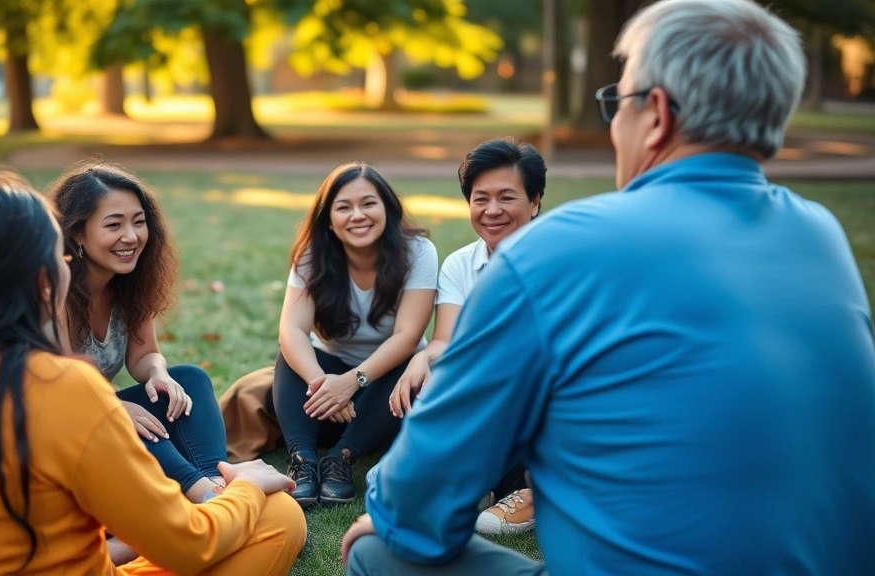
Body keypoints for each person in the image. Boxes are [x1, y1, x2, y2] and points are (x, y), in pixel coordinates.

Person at [342, 0, 875, 574]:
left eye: (616, 102)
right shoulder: (822, 234)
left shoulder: (553, 250)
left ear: (658, 115)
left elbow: (424, 489)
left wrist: (392, 517)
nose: (614, 122)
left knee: (376, 548)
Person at [0, 174, 306, 575]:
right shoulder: (61, 382)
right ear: (44, 275)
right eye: (60, 256)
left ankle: (176, 506)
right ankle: (203, 494)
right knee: (281, 517)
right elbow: (191, 545)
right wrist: (244, 489)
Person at [370, 137, 547, 535]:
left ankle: (524, 489)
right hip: (482, 394)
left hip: (534, 393)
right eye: (480, 198)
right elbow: (444, 342)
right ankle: (471, 479)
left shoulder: (557, 260)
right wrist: (421, 358)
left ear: (534, 201)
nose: (492, 210)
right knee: (427, 378)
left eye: (507, 197)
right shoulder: (459, 265)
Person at [48, 163, 230, 506]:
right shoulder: (55, 293)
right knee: (130, 420)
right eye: (114, 225)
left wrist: (159, 374)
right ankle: (202, 494)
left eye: (139, 221)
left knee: (188, 379)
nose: (131, 236)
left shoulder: (128, 286)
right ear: (77, 234)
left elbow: (143, 356)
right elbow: (56, 387)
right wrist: (113, 407)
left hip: (97, 408)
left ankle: (215, 478)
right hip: (57, 422)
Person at [275, 162, 437, 507]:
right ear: (329, 220)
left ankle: (341, 459)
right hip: (328, 382)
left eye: (368, 203)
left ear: (387, 208)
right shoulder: (311, 255)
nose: (357, 215)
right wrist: (323, 384)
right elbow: (291, 329)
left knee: (408, 362)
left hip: (386, 391)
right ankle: (302, 462)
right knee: (291, 355)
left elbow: (409, 336)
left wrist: (352, 381)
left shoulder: (418, 252)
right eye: (343, 207)